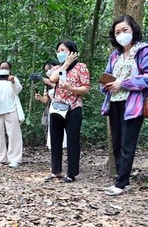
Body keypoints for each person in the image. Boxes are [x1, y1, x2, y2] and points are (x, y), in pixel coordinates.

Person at [101, 15, 148, 196]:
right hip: (114, 102)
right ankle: (121, 178)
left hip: (133, 104)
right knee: (117, 143)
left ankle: (120, 183)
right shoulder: (115, 55)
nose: (121, 34)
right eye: (117, 32)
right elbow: (106, 76)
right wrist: (106, 84)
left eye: (125, 30)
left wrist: (123, 83)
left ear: (133, 30)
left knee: (128, 143)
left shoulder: (145, 51)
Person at [47, 40, 90, 183]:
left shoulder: (81, 67)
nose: (60, 53)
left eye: (63, 50)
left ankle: (72, 173)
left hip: (73, 107)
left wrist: (71, 89)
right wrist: (65, 64)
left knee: (72, 140)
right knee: (55, 139)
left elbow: (85, 88)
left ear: (72, 52)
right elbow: (52, 79)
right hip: (57, 107)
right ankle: (56, 170)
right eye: (58, 50)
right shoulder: (58, 68)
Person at [0, 61, 23, 168]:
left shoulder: (14, 79)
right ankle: (2, 157)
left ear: (10, 69)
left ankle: (15, 159)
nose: (4, 69)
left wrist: (13, 81)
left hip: (11, 109)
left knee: (14, 135)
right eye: (2, 67)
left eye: (6, 67)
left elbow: (18, 90)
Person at [35, 60, 67, 150]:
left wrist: (51, 83)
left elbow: (65, 89)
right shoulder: (47, 85)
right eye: (46, 70)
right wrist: (40, 98)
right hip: (53, 108)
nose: (48, 71)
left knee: (64, 131)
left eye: (50, 68)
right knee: (54, 130)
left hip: (65, 107)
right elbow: (46, 100)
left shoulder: (62, 74)